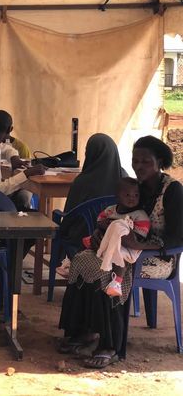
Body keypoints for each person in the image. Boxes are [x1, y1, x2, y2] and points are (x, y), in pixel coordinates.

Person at [58, 136, 183, 369]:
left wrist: (139, 246)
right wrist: (101, 231)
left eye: (146, 161)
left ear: (160, 162)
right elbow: (120, 215)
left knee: (108, 271)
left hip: (158, 257)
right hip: (125, 246)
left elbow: (177, 237)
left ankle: (110, 345)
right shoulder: (136, 187)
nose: (139, 166)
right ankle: (83, 330)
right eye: (136, 161)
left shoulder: (172, 190)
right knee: (83, 260)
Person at [58, 133, 127, 262]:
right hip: (117, 240)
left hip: (82, 239)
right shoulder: (125, 180)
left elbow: (69, 215)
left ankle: (61, 263)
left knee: (63, 225)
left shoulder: (82, 181)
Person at [81, 177, 150, 297]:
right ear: (117, 196)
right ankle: (71, 264)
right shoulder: (110, 210)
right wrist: (103, 225)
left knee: (120, 258)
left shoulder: (140, 215)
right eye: (127, 194)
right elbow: (100, 221)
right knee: (88, 242)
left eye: (136, 195)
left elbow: (140, 236)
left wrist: (124, 229)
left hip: (129, 247)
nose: (132, 198)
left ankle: (117, 282)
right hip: (108, 240)